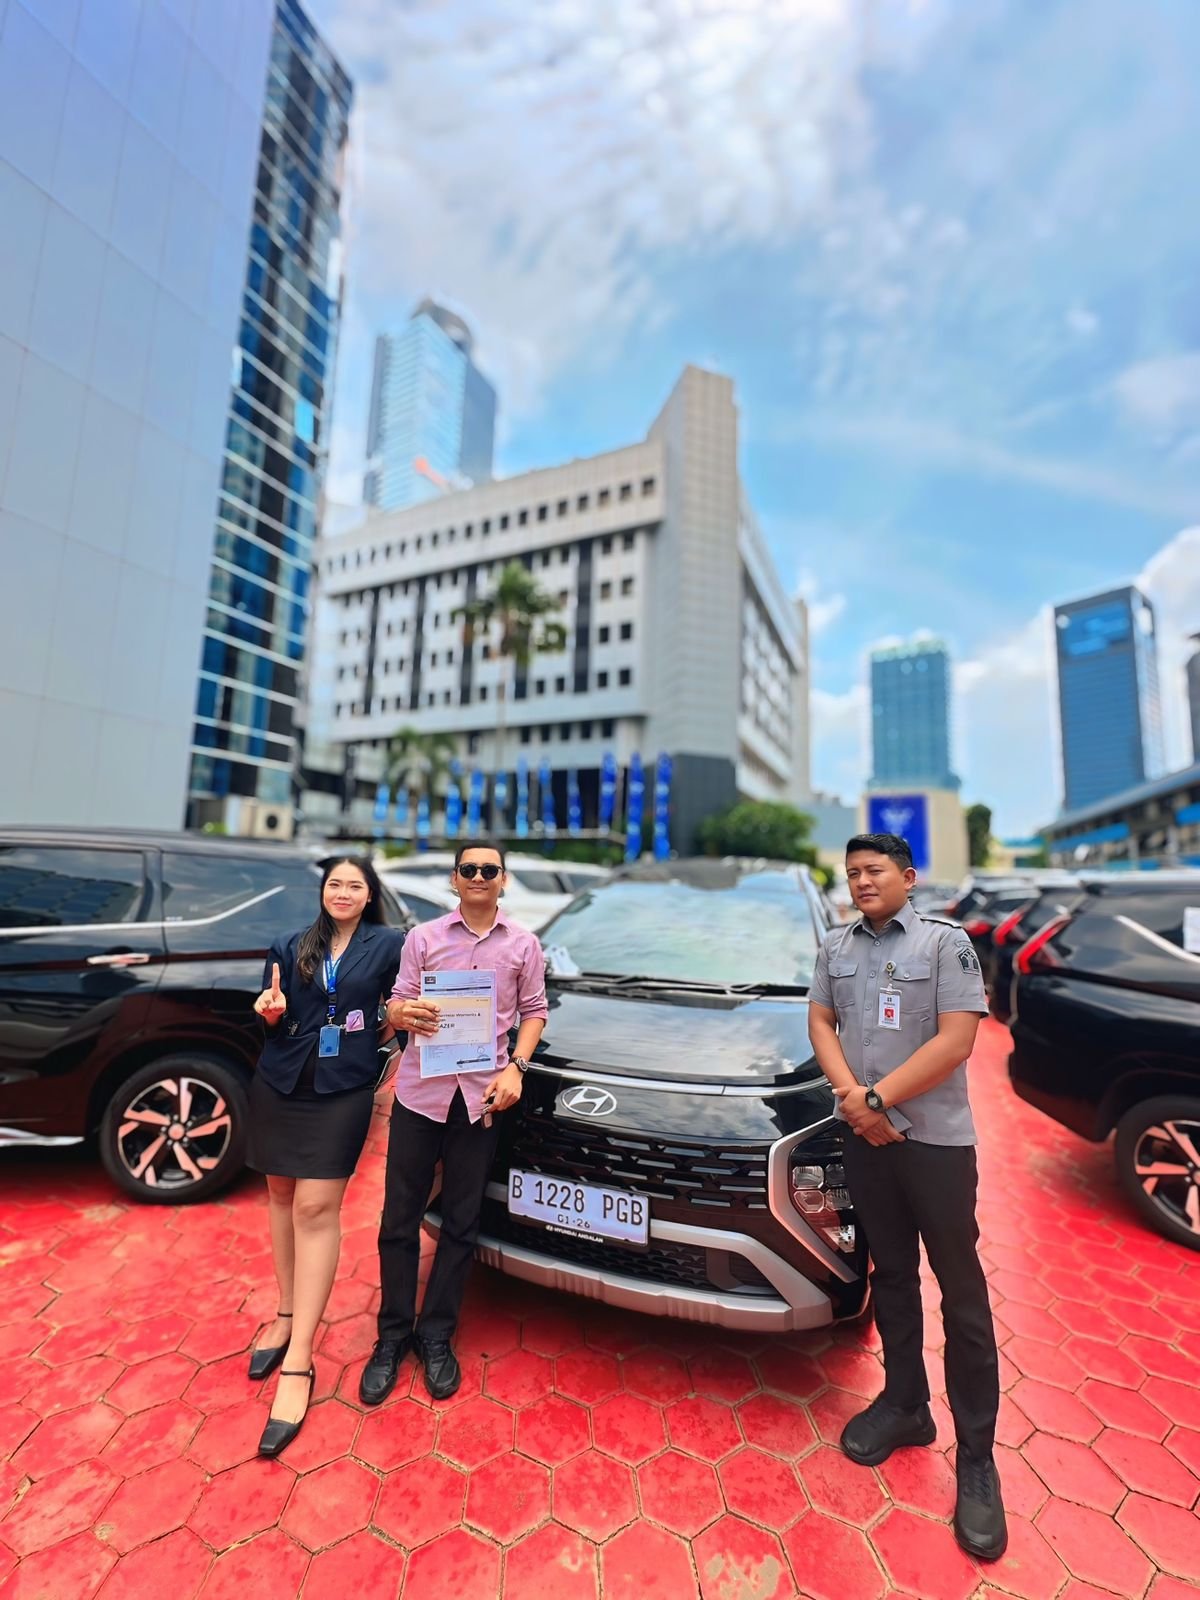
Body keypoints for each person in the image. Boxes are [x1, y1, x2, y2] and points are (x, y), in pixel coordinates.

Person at [808, 832, 1005, 1561]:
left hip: (934, 1144)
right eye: (853, 871)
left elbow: (957, 1041)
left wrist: (877, 1098)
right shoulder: (836, 947)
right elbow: (821, 1022)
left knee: (961, 1293)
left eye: (875, 870)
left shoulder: (942, 946)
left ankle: (978, 1458)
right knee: (890, 1276)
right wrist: (854, 1103)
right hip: (867, 1138)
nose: (862, 881)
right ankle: (906, 1405)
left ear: (907, 876)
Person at [359, 839, 548, 1404]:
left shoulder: (523, 944)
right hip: (421, 1094)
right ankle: (391, 1337)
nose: (480, 877)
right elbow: (397, 1003)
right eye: (470, 869)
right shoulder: (423, 938)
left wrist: (517, 1067)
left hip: (482, 1099)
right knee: (399, 1221)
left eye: (490, 869)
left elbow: (535, 1012)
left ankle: (436, 1335)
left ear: (504, 880)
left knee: (462, 1225)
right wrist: (398, 1013)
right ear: (454, 878)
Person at [248, 855, 405, 1457]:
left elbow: (408, 1001)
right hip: (281, 1082)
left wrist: (392, 1040)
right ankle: (286, 1312)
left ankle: (300, 1356)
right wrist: (269, 1014)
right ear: (323, 892)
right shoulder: (288, 944)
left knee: (316, 1206)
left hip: (343, 1090)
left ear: (370, 897)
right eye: (334, 884)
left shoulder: (390, 944)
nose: (343, 892)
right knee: (281, 1196)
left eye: (355, 885)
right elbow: (271, 1014)